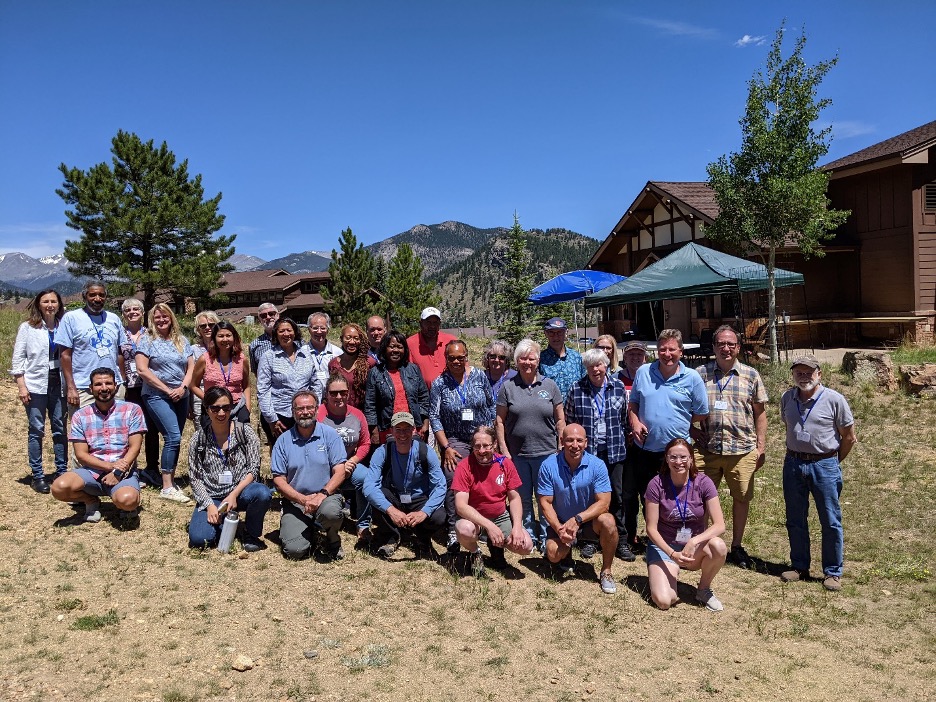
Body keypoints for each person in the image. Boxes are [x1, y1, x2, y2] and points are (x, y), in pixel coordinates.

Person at [690, 325, 767, 569]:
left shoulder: (751, 375)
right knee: (699, 499)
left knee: (741, 498)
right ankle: (701, 544)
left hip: (741, 449)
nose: (726, 348)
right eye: (721, 344)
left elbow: (760, 413)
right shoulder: (699, 374)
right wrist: (691, 430)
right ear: (713, 347)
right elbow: (683, 407)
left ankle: (737, 546)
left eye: (731, 344)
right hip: (707, 450)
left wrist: (761, 446)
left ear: (738, 348)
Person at [780, 354, 856, 592]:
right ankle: (799, 566)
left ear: (819, 374)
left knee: (830, 521)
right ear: (793, 375)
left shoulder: (835, 400)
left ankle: (832, 572)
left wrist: (831, 462)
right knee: (795, 518)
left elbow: (849, 437)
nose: (804, 377)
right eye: (799, 373)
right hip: (793, 464)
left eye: (808, 373)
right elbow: (787, 424)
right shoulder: (787, 398)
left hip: (824, 465)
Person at [627, 329, 708, 548]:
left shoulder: (692, 378)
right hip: (646, 448)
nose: (666, 353)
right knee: (648, 496)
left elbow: (701, 412)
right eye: (662, 349)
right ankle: (652, 540)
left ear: (680, 351)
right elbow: (633, 402)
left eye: (672, 349)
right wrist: (635, 421)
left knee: (677, 497)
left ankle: (676, 541)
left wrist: (681, 422)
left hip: (677, 455)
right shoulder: (644, 372)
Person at [495, 338, 564, 552]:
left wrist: (561, 446)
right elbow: (499, 421)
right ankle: (528, 537)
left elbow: (560, 419)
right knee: (522, 499)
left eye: (531, 357)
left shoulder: (550, 385)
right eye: (522, 358)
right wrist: (504, 451)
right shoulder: (508, 388)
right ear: (516, 361)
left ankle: (546, 537)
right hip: (518, 455)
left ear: (538, 359)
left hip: (547, 453)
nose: (527, 362)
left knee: (545, 499)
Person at [564, 348, 633, 561]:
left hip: (614, 451)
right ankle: (590, 540)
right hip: (588, 454)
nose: (596, 369)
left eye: (599, 364)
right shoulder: (576, 389)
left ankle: (620, 540)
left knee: (617, 497)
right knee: (589, 496)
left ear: (607, 365)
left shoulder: (619, 387)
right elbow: (570, 421)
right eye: (591, 365)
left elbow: (623, 419)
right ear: (586, 367)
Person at [51, 367, 144, 525]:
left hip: (123, 472)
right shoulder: (80, 416)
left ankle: (123, 503)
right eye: (98, 384)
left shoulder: (132, 410)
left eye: (108, 383)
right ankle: (90, 500)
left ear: (115, 386)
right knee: (59, 488)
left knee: (128, 500)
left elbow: (135, 446)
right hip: (92, 471)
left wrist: (118, 470)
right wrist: (109, 466)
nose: (104, 388)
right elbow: (81, 455)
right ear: (91, 388)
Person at [644, 438, 727, 612]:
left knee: (718, 546)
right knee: (664, 601)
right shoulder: (656, 484)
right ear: (666, 459)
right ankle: (668, 574)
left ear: (691, 459)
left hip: (693, 549)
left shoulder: (704, 483)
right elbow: (651, 528)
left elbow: (719, 525)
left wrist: (694, 541)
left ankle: (703, 589)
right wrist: (672, 553)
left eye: (683, 457)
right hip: (666, 548)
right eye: (673, 457)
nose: (678, 462)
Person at [430, 339, 496, 552]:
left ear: (467, 356)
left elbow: (490, 405)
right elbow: (434, 416)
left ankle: (481, 525)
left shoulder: (479, 377)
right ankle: (452, 529)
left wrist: (487, 435)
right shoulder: (440, 383)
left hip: (480, 436)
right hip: (455, 440)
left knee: (483, 480)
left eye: (461, 357)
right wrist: (446, 446)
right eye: (452, 358)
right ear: (445, 359)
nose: (457, 361)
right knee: (454, 479)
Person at [187, 386, 272, 551]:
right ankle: (223, 522)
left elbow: (253, 469)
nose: (221, 413)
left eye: (226, 407)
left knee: (262, 493)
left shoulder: (245, 433)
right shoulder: (198, 439)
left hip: (240, 493)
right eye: (215, 408)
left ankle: (251, 533)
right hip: (213, 496)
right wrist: (209, 505)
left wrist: (233, 494)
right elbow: (195, 478)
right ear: (207, 409)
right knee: (199, 539)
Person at [537, 424, 619, 595]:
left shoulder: (597, 465)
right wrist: (560, 529)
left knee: (609, 521)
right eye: (570, 440)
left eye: (579, 440)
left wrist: (577, 519)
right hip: (560, 523)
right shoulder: (548, 465)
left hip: (587, 522)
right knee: (553, 554)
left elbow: (604, 503)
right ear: (561, 442)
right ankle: (565, 552)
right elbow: (545, 503)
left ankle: (606, 571)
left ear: (586, 443)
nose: (575, 445)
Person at [270, 390, 348, 560]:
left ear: (316, 409)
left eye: (309, 407)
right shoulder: (283, 441)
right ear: (293, 412)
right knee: (295, 551)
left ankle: (332, 538)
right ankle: (309, 530)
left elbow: (340, 472)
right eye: (300, 409)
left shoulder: (330, 435)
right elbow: (279, 480)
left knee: (331, 514)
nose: (305, 412)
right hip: (296, 502)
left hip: (326, 497)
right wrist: (303, 500)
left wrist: (322, 495)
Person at [360, 411, 447, 559]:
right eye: (398, 429)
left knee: (439, 516)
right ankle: (391, 536)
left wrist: (424, 512)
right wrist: (390, 510)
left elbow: (440, 486)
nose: (402, 434)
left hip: (419, 499)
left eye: (406, 429)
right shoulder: (382, 452)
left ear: (414, 430)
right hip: (394, 497)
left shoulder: (426, 451)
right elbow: (368, 486)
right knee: (376, 499)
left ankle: (423, 538)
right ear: (391, 431)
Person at [453, 426, 532, 576]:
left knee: (526, 546)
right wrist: (489, 526)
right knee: (464, 529)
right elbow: (461, 506)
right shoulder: (464, 466)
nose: (481, 451)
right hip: (474, 519)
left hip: (500, 516)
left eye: (486, 446)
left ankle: (495, 547)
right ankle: (474, 553)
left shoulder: (505, 464)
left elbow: (515, 498)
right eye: (477, 446)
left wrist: (517, 528)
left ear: (494, 444)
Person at [135, 303, 194, 503]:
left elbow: (191, 368)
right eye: (157, 317)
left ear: (171, 318)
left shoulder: (182, 340)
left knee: (174, 438)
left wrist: (183, 389)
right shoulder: (147, 340)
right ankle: (167, 486)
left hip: (181, 396)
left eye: (165, 316)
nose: (161, 320)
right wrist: (167, 389)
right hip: (156, 395)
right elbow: (142, 370)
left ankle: (170, 478)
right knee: (173, 436)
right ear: (152, 319)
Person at [12, 289, 67, 492]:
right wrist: (21, 385)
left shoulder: (65, 326)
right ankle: (38, 475)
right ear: (38, 304)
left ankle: (62, 472)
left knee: (60, 429)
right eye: (46, 301)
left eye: (54, 301)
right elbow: (18, 359)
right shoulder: (27, 328)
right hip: (35, 385)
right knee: (36, 430)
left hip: (59, 384)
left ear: (59, 304)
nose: (50, 305)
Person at [55, 281, 124, 435]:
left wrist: (122, 380)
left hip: (113, 386)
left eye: (101, 295)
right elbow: (65, 355)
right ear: (84, 296)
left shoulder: (114, 318)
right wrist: (71, 387)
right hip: (83, 386)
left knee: (116, 431)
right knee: (86, 433)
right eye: (92, 295)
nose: (97, 298)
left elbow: (119, 352)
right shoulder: (71, 318)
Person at [316, 375, 371, 544]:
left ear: (348, 394)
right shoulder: (318, 414)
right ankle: (319, 518)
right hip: (323, 466)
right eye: (334, 393)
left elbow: (365, 443)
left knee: (366, 478)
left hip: (349, 464)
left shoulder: (357, 415)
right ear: (327, 394)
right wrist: (336, 465)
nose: (338, 397)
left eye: (343, 392)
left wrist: (353, 461)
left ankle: (363, 524)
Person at [118, 298, 160, 485]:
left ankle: (152, 467)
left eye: (136, 309)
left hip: (149, 386)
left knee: (151, 428)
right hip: (128, 387)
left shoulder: (152, 334)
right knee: (128, 429)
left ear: (143, 313)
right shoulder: (119, 334)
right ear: (123, 314)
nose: (132, 312)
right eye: (128, 309)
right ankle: (129, 467)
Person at [364, 330, 431, 447]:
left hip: (414, 427)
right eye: (392, 346)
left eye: (399, 347)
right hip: (387, 428)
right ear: (384, 348)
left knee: (413, 461)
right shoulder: (375, 372)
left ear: (405, 350)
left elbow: (424, 397)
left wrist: (425, 423)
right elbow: (370, 404)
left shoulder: (414, 369)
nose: (396, 350)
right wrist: (374, 431)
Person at [256, 318, 317, 445]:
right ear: (275, 334)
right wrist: (271, 419)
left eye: (289, 330)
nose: (286, 334)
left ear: (295, 332)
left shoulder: (306, 354)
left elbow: (315, 383)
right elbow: (263, 389)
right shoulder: (268, 357)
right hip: (279, 416)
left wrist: (316, 407)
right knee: (282, 454)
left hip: (304, 413)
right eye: (281, 331)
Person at [617, 339, 648, 553]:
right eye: (631, 355)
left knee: (648, 492)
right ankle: (629, 534)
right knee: (627, 493)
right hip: (624, 443)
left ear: (645, 357)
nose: (635, 358)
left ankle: (654, 534)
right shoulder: (616, 379)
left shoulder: (650, 377)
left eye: (639, 355)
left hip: (647, 444)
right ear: (624, 357)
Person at [191, 321, 251, 428]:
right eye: (221, 336)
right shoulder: (205, 359)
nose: (225, 339)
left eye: (228, 335)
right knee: (212, 441)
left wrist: (247, 407)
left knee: (241, 441)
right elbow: (193, 385)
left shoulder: (242, 359)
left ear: (234, 337)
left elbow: (246, 386)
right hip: (213, 408)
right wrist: (209, 399)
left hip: (237, 406)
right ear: (214, 338)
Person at [327, 323, 376, 410]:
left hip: (363, 413)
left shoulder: (369, 363)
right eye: (348, 338)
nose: (352, 342)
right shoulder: (333, 364)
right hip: (339, 412)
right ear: (341, 339)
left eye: (356, 338)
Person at [248, 303, 279, 440]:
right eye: (263, 315)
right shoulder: (255, 345)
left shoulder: (294, 340)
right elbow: (256, 373)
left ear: (278, 315)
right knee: (274, 440)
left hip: (291, 398)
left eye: (271, 314)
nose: (268, 317)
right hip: (269, 399)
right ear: (259, 319)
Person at [406, 307, 456, 389]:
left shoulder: (451, 341)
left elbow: (464, 368)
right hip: (424, 398)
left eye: (435, 322)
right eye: (428, 322)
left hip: (450, 395)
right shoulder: (410, 344)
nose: (432, 326)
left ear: (439, 324)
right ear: (421, 323)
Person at [538, 317, 584, 398]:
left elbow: (584, 382)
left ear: (566, 332)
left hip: (574, 408)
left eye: (559, 332)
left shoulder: (576, 357)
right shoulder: (540, 359)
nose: (556, 337)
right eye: (551, 332)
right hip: (550, 408)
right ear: (545, 333)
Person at [189, 310, 220, 426]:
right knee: (203, 432)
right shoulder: (192, 350)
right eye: (203, 326)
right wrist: (188, 404)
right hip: (200, 395)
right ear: (198, 330)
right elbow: (189, 377)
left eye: (211, 325)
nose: (207, 328)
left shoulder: (224, 346)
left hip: (223, 393)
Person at [307, 312, 342, 401]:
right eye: (315, 328)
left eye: (323, 328)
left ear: (328, 330)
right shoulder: (301, 353)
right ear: (309, 329)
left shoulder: (337, 352)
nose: (319, 331)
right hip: (309, 401)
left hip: (332, 400)